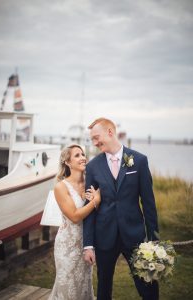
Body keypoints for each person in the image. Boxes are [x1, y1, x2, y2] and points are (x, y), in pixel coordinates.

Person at [83, 118, 159, 300]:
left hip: (135, 235)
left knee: (147, 284)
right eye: (92, 139)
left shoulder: (139, 161)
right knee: (103, 287)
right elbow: (90, 207)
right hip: (105, 236)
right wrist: (88, 245)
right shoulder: (93, 167)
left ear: (110, 132)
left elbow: (148, 204)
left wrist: (154, 240)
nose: (94, 143)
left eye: (96, 137)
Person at [49, 144, 100, 300]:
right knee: (67, 287)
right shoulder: (61, 187)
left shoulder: (90, 184)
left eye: (83, 154)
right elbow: (75, 216)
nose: (83, 158)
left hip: (86, 243)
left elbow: (96, 215)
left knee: (84, 286)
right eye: (77, 155)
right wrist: (95, 201)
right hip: (67, 246)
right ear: (67, 162)